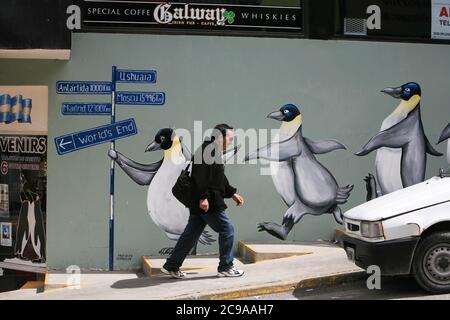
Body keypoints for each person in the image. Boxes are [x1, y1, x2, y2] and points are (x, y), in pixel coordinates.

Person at [161, 123, 245, 278]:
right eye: (230, 138)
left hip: (203, 201)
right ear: (220, 137)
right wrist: (203, 198)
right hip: (208, 202)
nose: (231, 141)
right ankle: (226, 266)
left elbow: (218, 177)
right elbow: (200, 176)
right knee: (227, 229)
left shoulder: (212, 150)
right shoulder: (208, 150)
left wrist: (232, 193)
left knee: (190, 235)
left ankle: (171, 266)